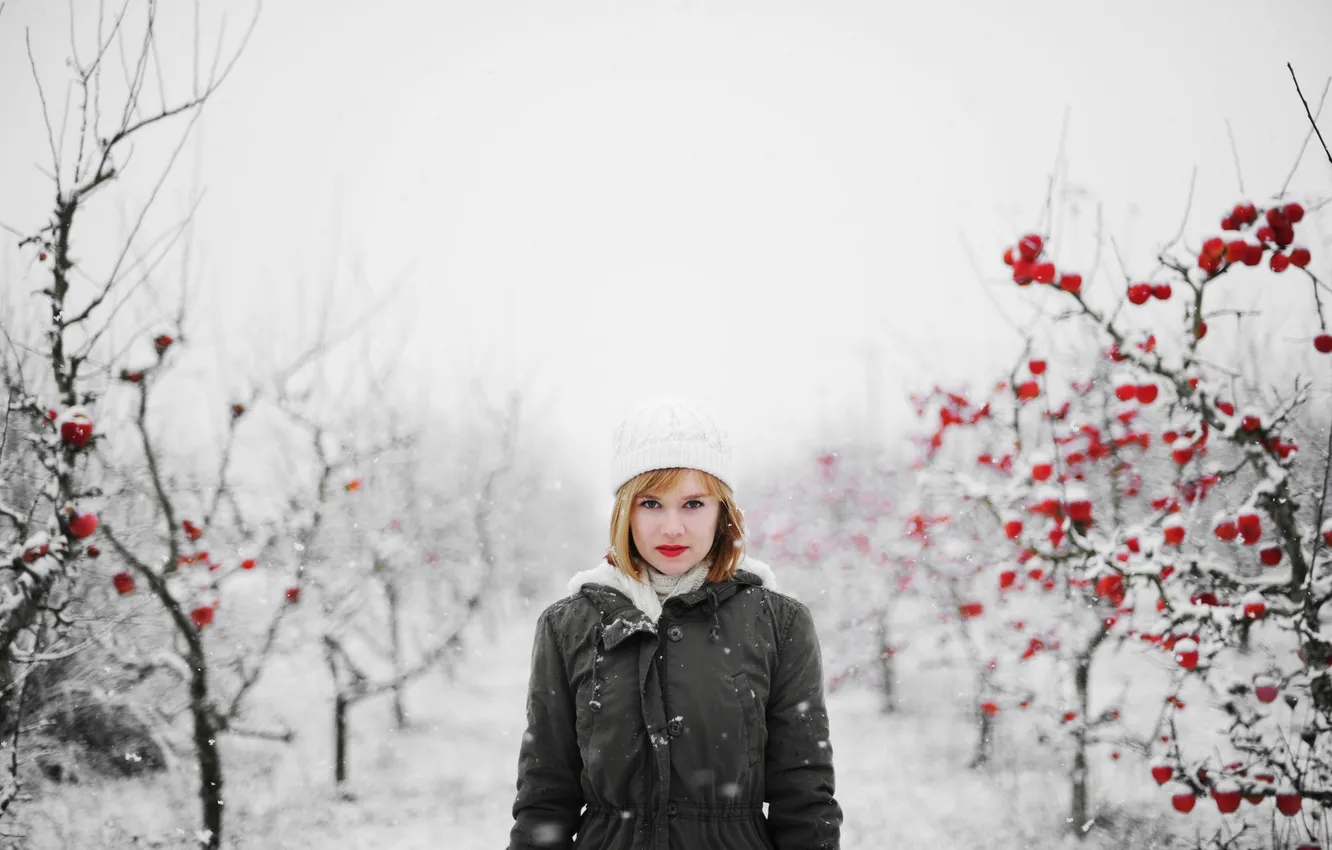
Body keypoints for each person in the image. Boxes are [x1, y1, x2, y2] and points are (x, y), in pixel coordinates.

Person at [507, 397, 842, 850]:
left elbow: (804, 795)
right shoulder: (569, 626)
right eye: (651, 503)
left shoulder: (779, 624)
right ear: (625, 510)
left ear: (722, 510)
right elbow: (545, 795)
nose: (671, 528)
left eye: (692, 504)